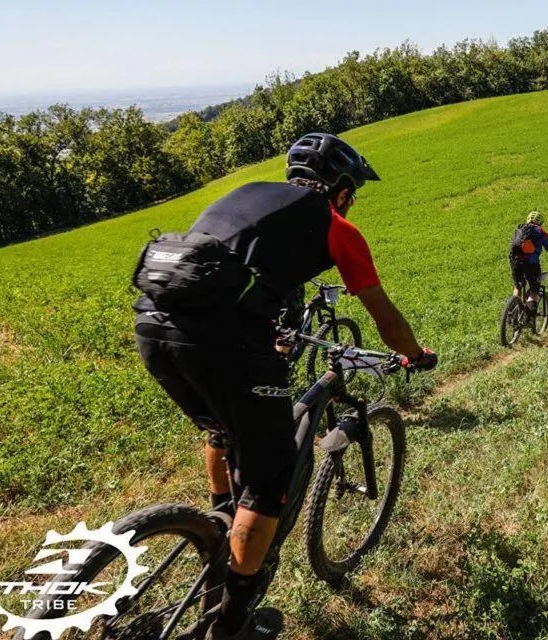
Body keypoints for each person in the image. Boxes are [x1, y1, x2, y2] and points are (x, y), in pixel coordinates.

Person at [132, 132, 437, 640]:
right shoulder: (335, 225)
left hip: (154, 326)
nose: (353, 200)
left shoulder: (247, 196)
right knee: (271, 479)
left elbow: (233, 275)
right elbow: (382, 314)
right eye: (353, 190)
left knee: (222, 428)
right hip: (221, 343)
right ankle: (232, 623)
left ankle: (221, 516)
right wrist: (414, 354)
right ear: (339, 188)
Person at [508, 210, 548, 315]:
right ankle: (528, 317)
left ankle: (511, 314)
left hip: (514, 261)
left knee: (518, 287)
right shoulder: (541, 232)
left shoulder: (519, 229)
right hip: (531, 263)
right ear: (540, 222)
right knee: (534, 290)